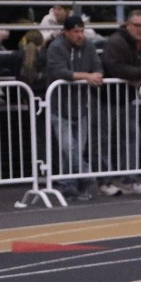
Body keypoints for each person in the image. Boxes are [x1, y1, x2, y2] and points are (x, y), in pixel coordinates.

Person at [99, 8, 141, 195]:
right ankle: (105, 181)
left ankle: (130, 178)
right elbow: (114, 67)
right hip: (104, 98)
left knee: (132, 138)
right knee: (103, 141)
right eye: (137, 25)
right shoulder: (115, 42)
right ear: (128, 25)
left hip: (128, 98)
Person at [44, 13, 102, 200]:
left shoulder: (88, 46)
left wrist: (97, 75)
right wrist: (87, 76)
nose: (80, 35)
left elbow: (98, 66)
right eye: (76, 32)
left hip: (81, 106)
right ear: (66, 32)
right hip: (59, 107)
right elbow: (59, 71)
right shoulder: (56, 47)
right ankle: (87, 175)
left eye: (82, 31)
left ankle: (69, 186)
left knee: (75, 150)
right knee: (69, 147)